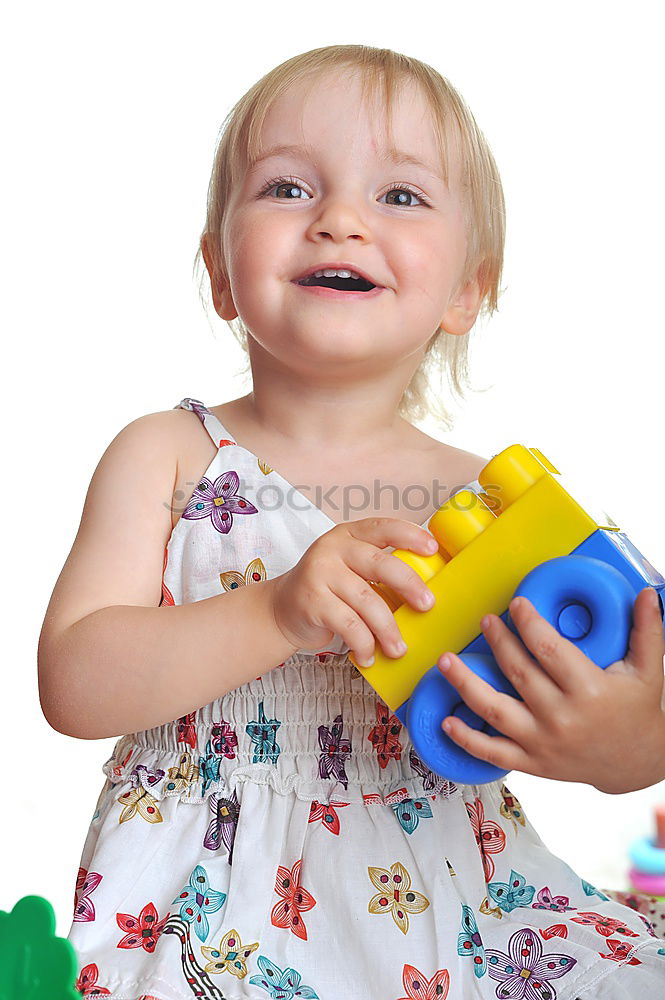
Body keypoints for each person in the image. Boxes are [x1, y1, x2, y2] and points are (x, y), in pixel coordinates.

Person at [38, 43, 665, 1000]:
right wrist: (276, 611)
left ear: (466, 290)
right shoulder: (169, 455)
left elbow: (623, 675)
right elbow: (74, 688)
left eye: (400, 197)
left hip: (454, 908)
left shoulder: (488, 507)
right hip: (209, 903)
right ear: (218, 272)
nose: (338, 220)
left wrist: (626, 752)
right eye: (288, 187)